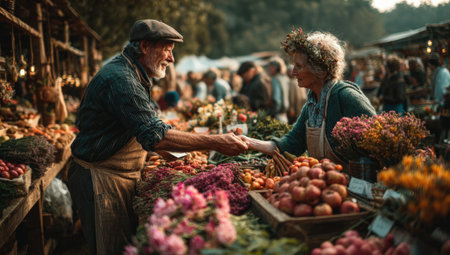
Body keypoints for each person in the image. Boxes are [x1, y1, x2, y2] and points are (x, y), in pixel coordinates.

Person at [67, 19, 248, 255]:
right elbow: (156, 136)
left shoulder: (134, 73)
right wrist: (216, 140)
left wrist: (175, 154)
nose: (172, 59)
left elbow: (144, 128)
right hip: (100, 178)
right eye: (168, 50)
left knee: (123, 243)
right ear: (144, 46)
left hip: (116, 174)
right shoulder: (122, 79)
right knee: (110, 247)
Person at [241, 28, 376, 165]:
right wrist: (247, 141)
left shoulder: (346, 97)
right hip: (324, 182)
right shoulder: (311, 105)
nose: (293, 72)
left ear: (322, 71)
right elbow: (291, 144)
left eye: (299, 66)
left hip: (355, 182)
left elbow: (376, 140)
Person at [267, 58, 290, 123]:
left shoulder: (275, 79)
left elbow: (277, 100)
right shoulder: (285, 78)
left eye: (270, 67)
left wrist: (270, 113)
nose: (268, 70)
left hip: (277, 115)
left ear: (275, 68)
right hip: (284, 114)